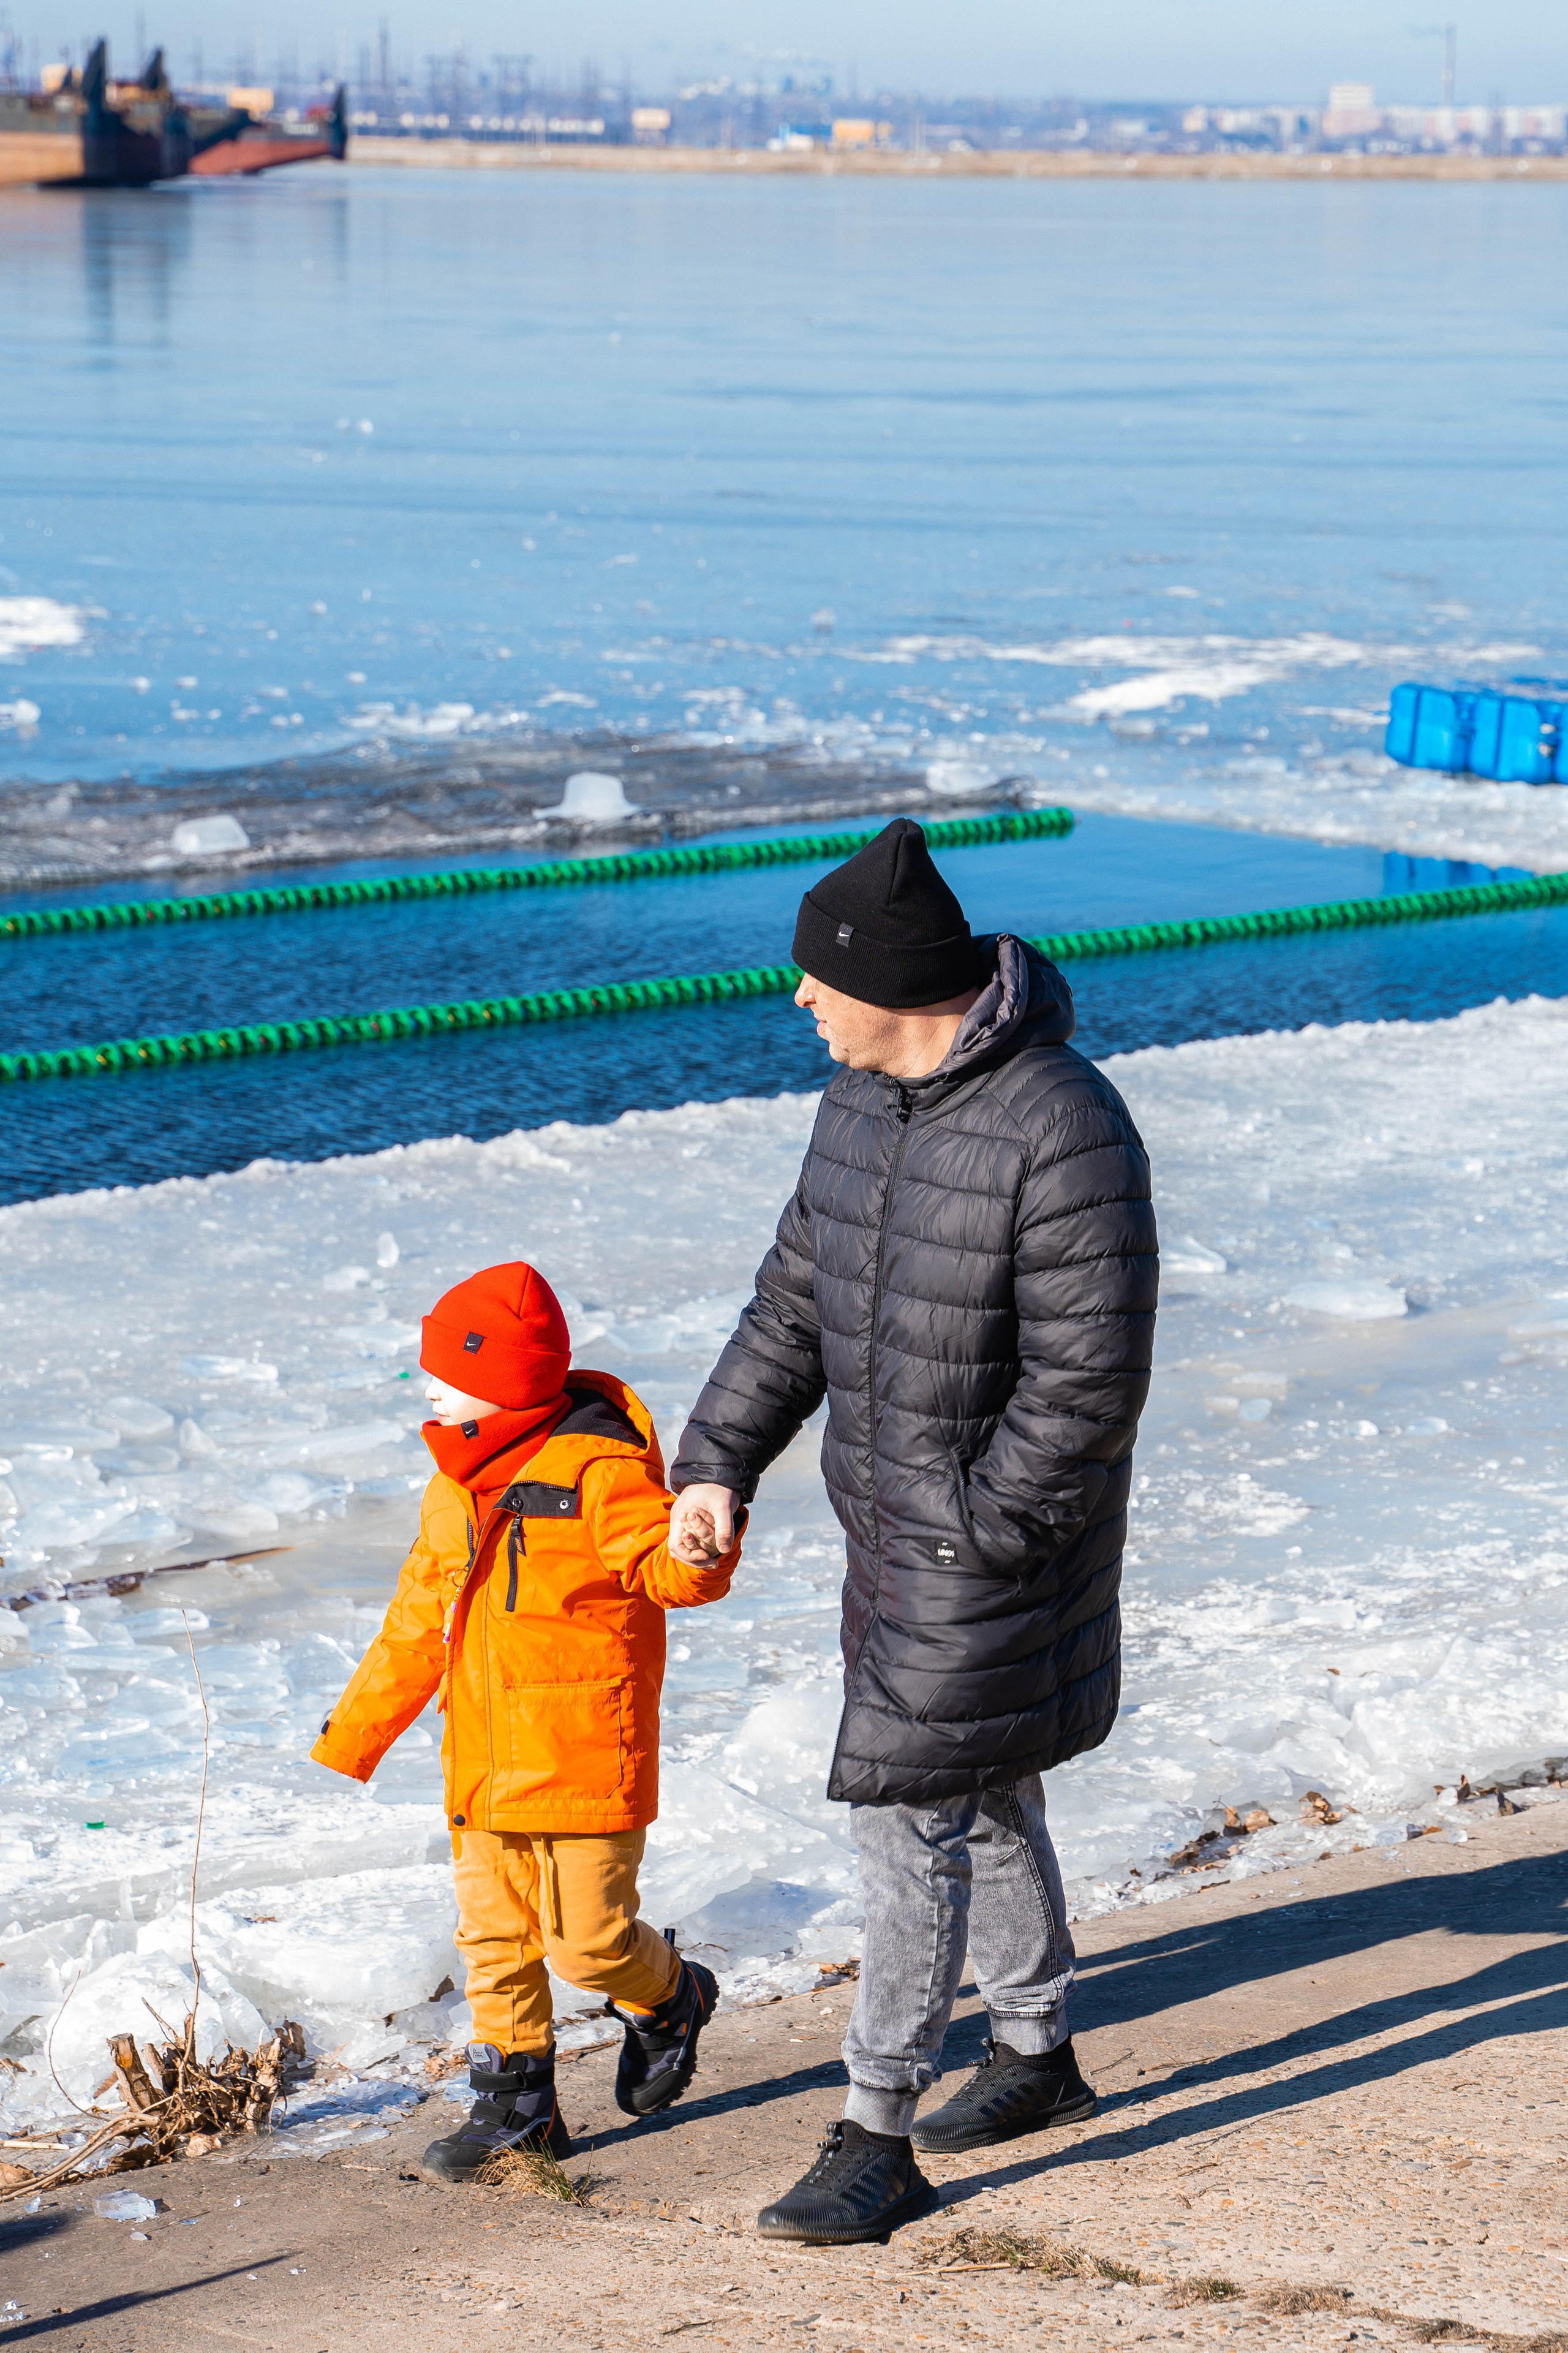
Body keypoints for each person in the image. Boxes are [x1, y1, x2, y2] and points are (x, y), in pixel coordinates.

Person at [668, 818, 1158, 2243]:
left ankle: (875, 2131)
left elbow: (1088, 1381)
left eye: (817, 979)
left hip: (985, 1550)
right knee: (985, 1787)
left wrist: (980, 1524)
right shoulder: (856, 1109)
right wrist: (719, 1461)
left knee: (907, 1815)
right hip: (893, 1545)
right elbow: (788, 1306)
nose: (798, 1002)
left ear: (895, 981)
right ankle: (1034, 2055)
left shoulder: (1061, 1122)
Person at [311, 1259, 742, 2181]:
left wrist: (697, 1547)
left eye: (447, 1377)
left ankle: (672, 1997)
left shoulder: (600, 1470)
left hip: (585, 1752)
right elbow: (416, 1624)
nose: (428, 1391)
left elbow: (663, 1572)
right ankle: (517, 2105)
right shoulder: (448, 1489)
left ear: (500, 1382)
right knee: (494, 1938)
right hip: (481, 1760)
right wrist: (356, 1733)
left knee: (587, 1939)